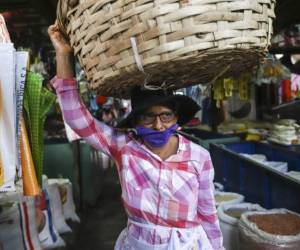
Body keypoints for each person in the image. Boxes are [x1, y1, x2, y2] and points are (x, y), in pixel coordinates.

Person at [48, 22, 224, 250]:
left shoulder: (199, 157)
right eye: (148, 117)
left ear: (177, 116)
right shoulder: (125, 147)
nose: (159, 125)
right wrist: (63, 55)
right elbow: (77, 120)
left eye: (166, 115)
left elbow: (208, 214)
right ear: (136, 120)